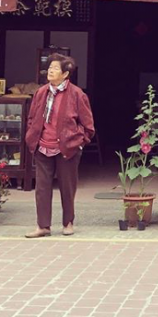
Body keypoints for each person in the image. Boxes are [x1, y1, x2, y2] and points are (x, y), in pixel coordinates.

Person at [24, 55, 95, 237]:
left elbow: (88, 126)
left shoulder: (77, 94)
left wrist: (78, 142)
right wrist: (32, 136)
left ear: (65, 74)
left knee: (67, 187)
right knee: (42, 188)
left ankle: (68, 222)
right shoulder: (41, 92)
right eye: (49, 68)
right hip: (42, 147)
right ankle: (43, 226)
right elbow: (32, 117)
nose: (50, 71)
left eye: (55, 68)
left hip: (67, 148)